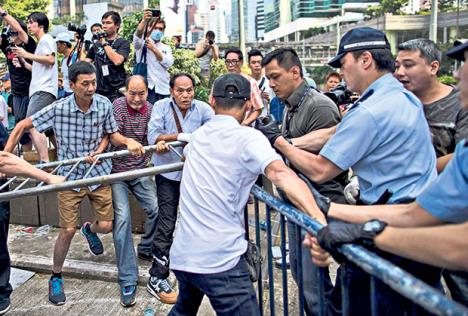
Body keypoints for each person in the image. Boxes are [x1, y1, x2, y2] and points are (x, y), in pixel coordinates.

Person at [256, 27, 439, 315]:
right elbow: (336, 133)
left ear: (365, 59)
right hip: (416, 221)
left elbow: (320, 170)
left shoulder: (368, 110)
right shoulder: (399, 96)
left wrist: (278, 142)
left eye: (343, 63)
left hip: (391, 223)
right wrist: (287, 142)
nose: (342, 72)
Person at [309, 39, 468, 305]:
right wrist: (331, 211)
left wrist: (371, 233)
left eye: (465, 64)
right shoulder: (403, 102)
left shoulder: (387, 106)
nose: (457, 73)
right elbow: (413, 213)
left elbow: (461, 245)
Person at [167, 73, 327, 315]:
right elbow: (282, 175)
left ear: (211, 101)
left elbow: (188, 153)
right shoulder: (249, 139)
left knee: (184, 308)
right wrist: (318, 221)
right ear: (249, 105)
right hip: (220, 261)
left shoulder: (198, 137)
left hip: (183, 253)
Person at [3, 61, 144, 306]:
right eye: (85, 84)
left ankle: (89, 230)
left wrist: (127, 142)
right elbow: (23, 125)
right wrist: (5, 157)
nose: (91, 88)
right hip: (68, 177)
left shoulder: (103, 104)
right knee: (67, 230)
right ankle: (56, 275)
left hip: (98, 172)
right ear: (71, 85)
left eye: (93, 83)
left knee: (108, 224)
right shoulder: (59, 108)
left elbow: (112, 134)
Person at [260, 47, 345, 315]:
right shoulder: (290, 105)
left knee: (314, 285)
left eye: (275, 77)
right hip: (296, 206)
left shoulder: (318, 106)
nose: (271, 84)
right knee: (301, 275)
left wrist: (280, 143)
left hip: (317, 203)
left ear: (295, 72)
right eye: (269, 78)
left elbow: (327, 166)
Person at [146, 73, 214, 304]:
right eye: (180, 90)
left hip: (194, 175)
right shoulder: (161, 107)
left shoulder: (203, 109)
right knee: (166, 222)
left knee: (196, 220)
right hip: (167, 175)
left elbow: (214, 133)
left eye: (189, 90)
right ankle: (157, 276)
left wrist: (180, 138)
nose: (185, 95)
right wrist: (179, 136)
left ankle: (196, 268)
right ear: (171, 90)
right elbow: (153, 136)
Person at [110, 75, 158, 307]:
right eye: (132, 93)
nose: (137, 99)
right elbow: (113, 135)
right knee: (123, 221)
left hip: (140, 170)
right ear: (125, 91)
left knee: (156, 210)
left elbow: (155, 134)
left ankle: (146, 248)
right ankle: (128, 278)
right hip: (118, 172)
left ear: (147, 92)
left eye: (141, 94)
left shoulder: (151, 109)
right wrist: (127, 141)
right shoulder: (117, 106)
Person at [395, 38, 468, 170]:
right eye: (397, 66)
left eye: (408, 65)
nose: (399, 72)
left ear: (433, 67)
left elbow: (463, 157)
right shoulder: (396, 101)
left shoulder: (462, 102)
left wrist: (410, 172)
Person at [10, 12, 58, 163]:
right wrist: (24, 62)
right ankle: (50, 160)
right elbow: (39, 68)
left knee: (33, 125)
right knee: (39, 127)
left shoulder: (46, 39)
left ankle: (44, 162)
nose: (29, 25)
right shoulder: (41, 43)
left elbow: (50, 60)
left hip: (43, 90)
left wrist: (26, 54)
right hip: (40, 90)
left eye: (31, 23)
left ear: (41, 25)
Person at [0, 8, 36, 150]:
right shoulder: (9, 47)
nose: (13, 35)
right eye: (11, 33)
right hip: (16, 93)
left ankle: (50, 157)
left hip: (30, 91)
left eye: (15, 32)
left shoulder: (29, 45)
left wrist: (4, 14)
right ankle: (28, 161)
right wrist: (4, 26)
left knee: (33, 127)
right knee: (23, 132)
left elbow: (20, 31)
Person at [85, 11, 130, 102]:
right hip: (99, 91)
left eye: (108, 23)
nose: (104, 26)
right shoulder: (96, 44)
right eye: (103, 23)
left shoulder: (123, 43)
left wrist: (104, 42)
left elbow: (117, 61)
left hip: (117, 92)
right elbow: (85, 63)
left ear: (117, 25)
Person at [134, 10, 174, 105]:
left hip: (164, 88)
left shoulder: (166, 47)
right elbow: (138, 35)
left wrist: (154, 49)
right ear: (149, 28)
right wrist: (144, 20)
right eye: (155, 28)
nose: (158, 31)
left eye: (161, 29)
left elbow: (168, 63)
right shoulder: (141, 44)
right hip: (147, 89)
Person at [224, 48, 263, 126]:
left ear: (241, 62)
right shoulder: (219, 82)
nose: (230, 64)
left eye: (234, 61)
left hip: (244, 129)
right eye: (228, 61)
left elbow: (258, 108)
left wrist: (245, 123)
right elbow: (212, 105)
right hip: (224, 128)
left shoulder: (250, 82)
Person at [247, 49, 274, 116]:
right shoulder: (245, 82)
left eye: (259, 62)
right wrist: (258, 96)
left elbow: (274, 103)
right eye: (253, 62)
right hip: (249, 122)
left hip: (264, 122)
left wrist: (269, 99)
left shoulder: (270, 82)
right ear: (248, 65)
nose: (257, 65)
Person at [55, 32, 76, 98]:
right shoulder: (63, 59)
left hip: (74, 93)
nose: (56, 47)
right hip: (66, 91)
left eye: (57, 44)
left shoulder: (75, 57)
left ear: (64, 45)